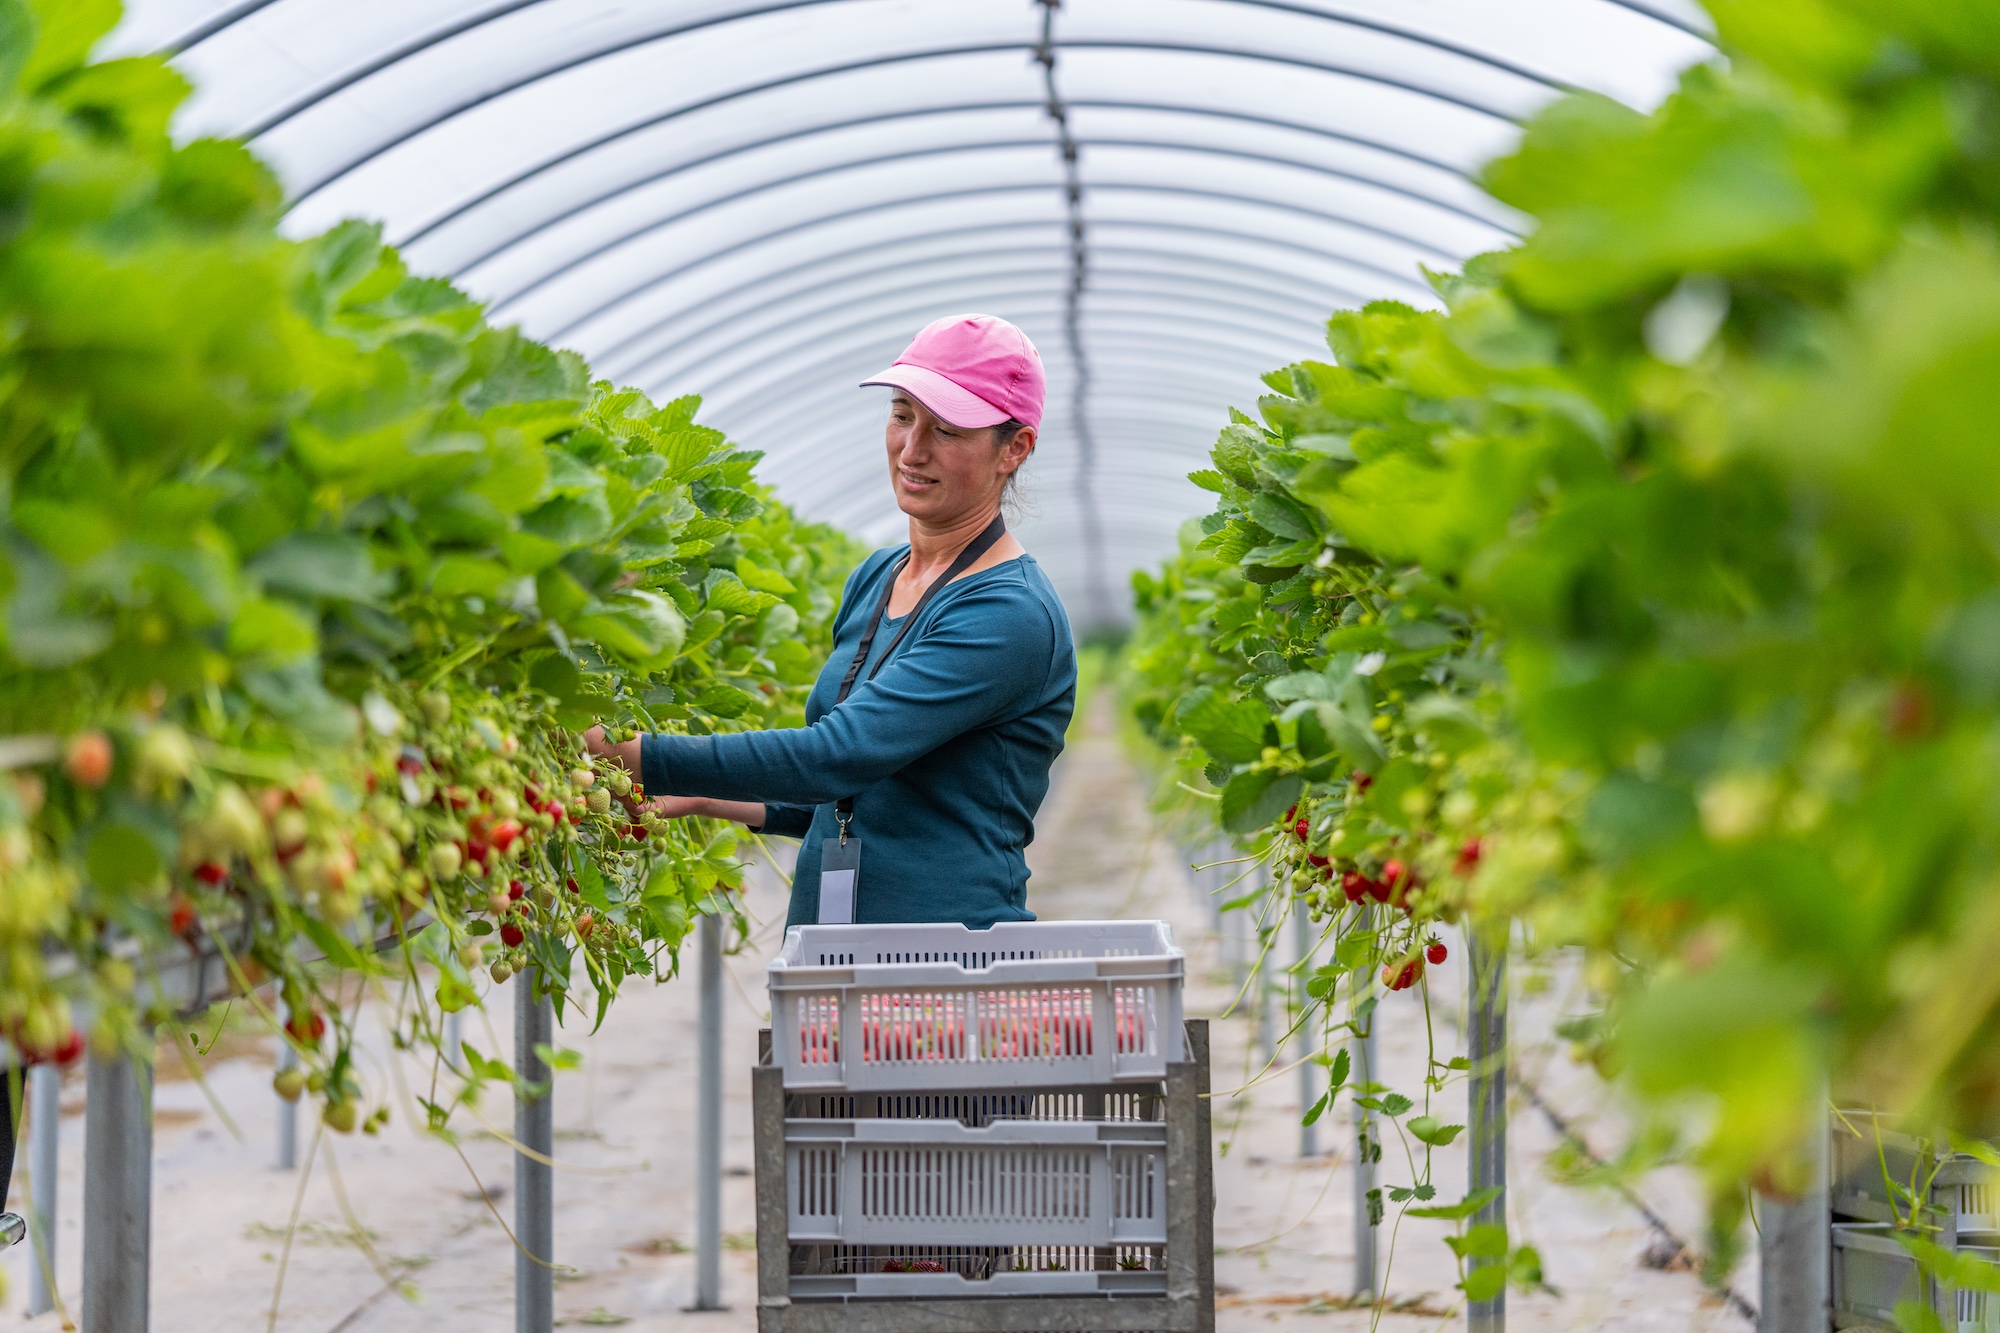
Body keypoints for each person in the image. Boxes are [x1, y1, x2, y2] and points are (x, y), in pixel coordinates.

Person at [586, 314, 1077, 928]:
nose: (913, 449)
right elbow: (852, 795)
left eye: (947, 430)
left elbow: (833, 757)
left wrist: (637, 755)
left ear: (1015, 448)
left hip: (945, 962)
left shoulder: (1008, 614)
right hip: (829, 955)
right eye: (902, 415)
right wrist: (706, 797)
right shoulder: (878, 577)